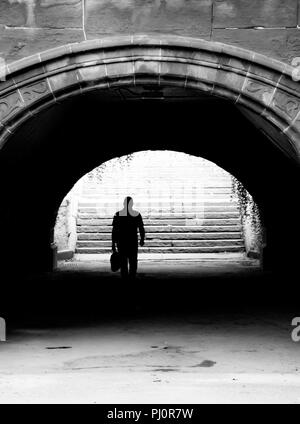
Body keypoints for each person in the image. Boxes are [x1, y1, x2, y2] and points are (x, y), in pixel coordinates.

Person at [112, 196, 145, 279]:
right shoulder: (137, 215)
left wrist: (113, 243)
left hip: (121, 242)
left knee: (123, 263)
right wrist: (142, 239)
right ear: (132, 204)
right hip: (132, 242)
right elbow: (141, 228)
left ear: (123, 204)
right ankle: (132, 277)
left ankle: (125, 278)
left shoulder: (118, 214)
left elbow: (114, 230)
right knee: (133, 262)